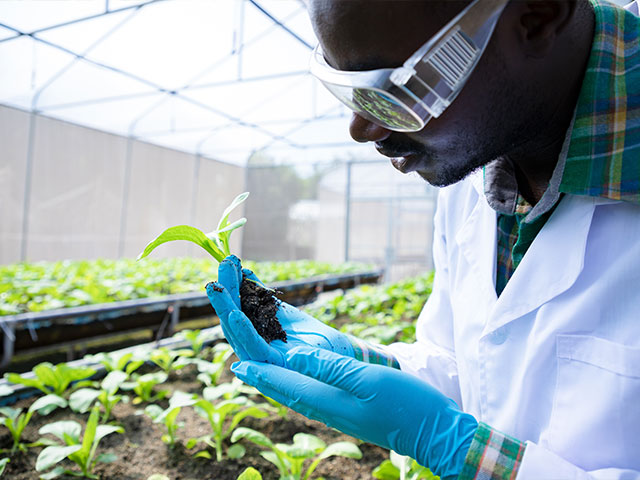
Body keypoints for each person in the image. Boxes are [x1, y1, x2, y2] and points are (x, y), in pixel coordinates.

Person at [207, 0, 640, 478]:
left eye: (396, 87)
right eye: (345, 87)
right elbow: (468, 365)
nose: (362, 128)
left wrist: (462, 452)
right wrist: (360, 361)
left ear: (537, 17)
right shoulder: (475, 163)